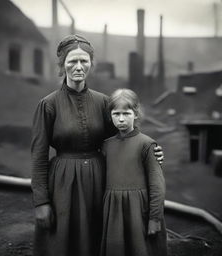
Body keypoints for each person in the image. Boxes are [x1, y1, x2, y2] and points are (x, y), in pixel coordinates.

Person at [31, 34, 164, 256]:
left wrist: (152, 151)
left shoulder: (103, 102)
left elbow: (124, 139)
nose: (78, 67)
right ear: (62, 64)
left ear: (91, 64)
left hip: (100, 181)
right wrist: (41, 201)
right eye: (72, 61)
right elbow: (38, 156)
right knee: (64, 242)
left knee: (99, 239)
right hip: (64, 184)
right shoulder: (48, 105)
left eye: (84, 61)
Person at [100, 89, 167, 256]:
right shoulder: (106, 145)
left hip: (138, 210)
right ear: (110, 115)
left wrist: (154, 218)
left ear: (136, 114)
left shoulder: (147, 144)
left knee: (140, 248)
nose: (121, 118)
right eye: (116, 114)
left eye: (126, 113)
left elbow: (157, 185)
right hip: (114, 209)